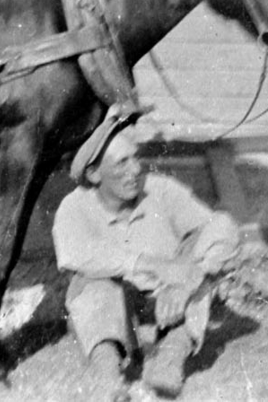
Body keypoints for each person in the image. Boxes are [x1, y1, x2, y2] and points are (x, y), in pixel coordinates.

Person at [52, 122, 241, 400]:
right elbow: (75, 253)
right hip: (113, 315)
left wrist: (187, 280)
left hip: (167, 303)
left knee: (200, 276)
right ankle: (107, 377)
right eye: (122, 163)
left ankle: (169, 359)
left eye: (136, 158)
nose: (135, 170)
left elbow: (221, 227)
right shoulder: (74, 207)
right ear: (94, 174)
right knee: (92, 284)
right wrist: (149, 264)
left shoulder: (160, 190)